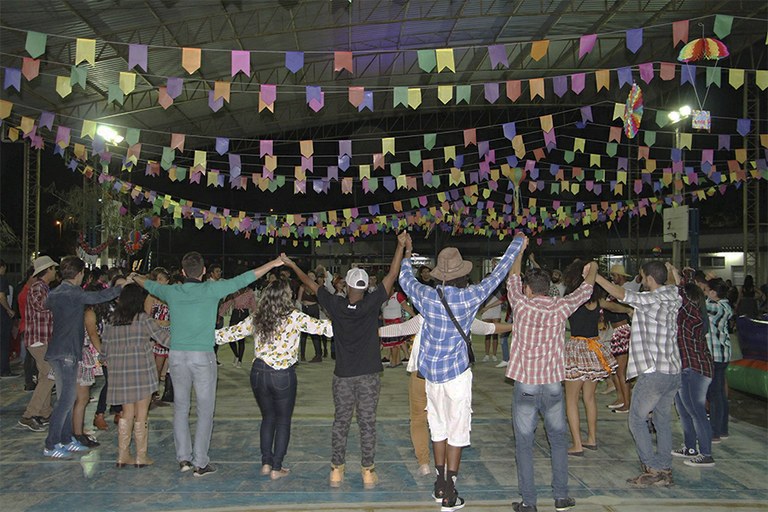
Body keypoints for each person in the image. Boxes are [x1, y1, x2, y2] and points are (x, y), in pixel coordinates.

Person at [399, 232, 525, 512]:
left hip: (431, 376)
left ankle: (439, 481)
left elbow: (404, 279)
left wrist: (407, 251)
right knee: (457, 430)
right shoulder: (471, 296)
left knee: (438, 428)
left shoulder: (425, 296)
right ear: (461, 274)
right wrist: (517, 243)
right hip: (457, 375)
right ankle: (450, 490)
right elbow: (499, 273)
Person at [132, 252, 284, 476]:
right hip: (202, 356)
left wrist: (134, 276)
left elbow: (149, 285)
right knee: (205, 410)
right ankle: (200, 462)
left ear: (183, 273)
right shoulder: (212, 289)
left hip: (177, 355)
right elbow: (245, 278)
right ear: (203, 272)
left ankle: (183, 458)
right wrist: (274, 262)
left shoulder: (172, 291)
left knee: (181, 408)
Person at [282, 236, 406, 490]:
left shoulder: (336, 305)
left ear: (347, 286)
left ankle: (336, 471)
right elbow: (393, 275)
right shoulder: (371, 304)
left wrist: (292, 265)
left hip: (343, 376)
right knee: (367, 423)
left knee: (341, 422)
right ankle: (367, 472)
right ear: (364, 288)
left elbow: (309, 283)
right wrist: (400, 246)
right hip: (369, 375)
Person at [505, 245, 596, 512]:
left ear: (528, 290)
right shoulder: (560, 307)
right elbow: (586, 290)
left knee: (524, 444)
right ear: (548, 289)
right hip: (554, 385)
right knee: (557, 440)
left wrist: (519, 252)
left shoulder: (520, 304)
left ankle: (528, 502)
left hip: (526, 386)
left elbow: (512, 277)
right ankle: (560, 497)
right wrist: (591, 271)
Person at [214, 279, 332, 480]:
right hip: (282, 375)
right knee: (283, 421)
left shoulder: (257, 317)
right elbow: (326, 329)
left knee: (268, 418)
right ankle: (277, 467)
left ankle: (266, 463)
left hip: (258, 372)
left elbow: (228, 334)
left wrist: (197, 333)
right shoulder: (294, 317)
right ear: (287, 296)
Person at [379, 313, 513, 478]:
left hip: (422, 372)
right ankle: (449, 464)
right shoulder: (464, 314)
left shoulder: (425, 314)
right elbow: (488, 328)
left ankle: (424, 463)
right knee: (450, 419)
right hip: (452, 374)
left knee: (419, 418)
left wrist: (368, 330)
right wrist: (514, 326)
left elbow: (400, 329)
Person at [595, 261, 682, 488]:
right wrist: (672, 271)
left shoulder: (649, 300)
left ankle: (652, 468)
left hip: (653, 372)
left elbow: (621, 294)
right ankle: (664, 468)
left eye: (643, 278)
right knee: (662, 420)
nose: (641, 282)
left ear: (650, 279)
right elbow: (675, 282)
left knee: (636, 419)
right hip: (673, 370)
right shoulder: (674, 295)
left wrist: (596, 276)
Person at [43, 256, 123, 460]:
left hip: (58, 351)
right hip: (67, 352)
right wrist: (120, 288)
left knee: (67, 399)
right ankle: (51, 444)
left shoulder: (55, 292)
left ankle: (66, 439)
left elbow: (48, 305)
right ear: (79, 274)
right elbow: (98, 298)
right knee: (66, 400)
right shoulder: (73, 292)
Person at [101, 283, 171, 467]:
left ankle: (122, 456)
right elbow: (165, 340)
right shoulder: (143, 319)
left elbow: (104, 350)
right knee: (141, 414)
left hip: (119, 374)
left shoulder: (111, 320)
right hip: (142, 372)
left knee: (127, 412)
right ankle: (141, 456)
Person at [562, 260, 616, 457]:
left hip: (577, 349)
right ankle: (592, 438)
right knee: (589, 398)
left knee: (571, 400)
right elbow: (615, 307)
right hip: (594, 349)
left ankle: (577, 444)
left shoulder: (571, 299)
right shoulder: (597, 302)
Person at [667, 265, 715, 467]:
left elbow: (683, 295)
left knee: (696, 410)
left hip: (695, 368)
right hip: (685, 366)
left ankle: (706, 454)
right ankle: (690, 447)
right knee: (683, 409)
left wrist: (678, 275)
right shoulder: (686, 316)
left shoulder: (693, 316)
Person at [71, 284, 113, 448]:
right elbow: (93, 334)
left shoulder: (80, 311)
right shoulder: (88, 313)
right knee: (81, 399)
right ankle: (77, 434)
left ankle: (78, 430)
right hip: (80, 356)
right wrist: (104, 354)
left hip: (77, 354)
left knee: (79, 399)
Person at [603, 264, 636, 414]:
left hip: (622, 331)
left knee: (621, 371)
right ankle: (622, 398)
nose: (613, 278)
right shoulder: (616, 291)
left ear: (621, 276)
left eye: (615, 275)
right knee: (616, 370)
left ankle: (627, 402)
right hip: (616, 331)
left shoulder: (623, 292)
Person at [705, 278, 733, 444]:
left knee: (714, 394)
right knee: (720, 394)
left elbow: (699, 304)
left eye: (707, 290)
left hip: (716, 356)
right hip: (722, 355)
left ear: (714, 293)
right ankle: (722, 429)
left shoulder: (717, 307)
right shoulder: (724, 305)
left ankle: (715, 432)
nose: (705, 293)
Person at [143, 268, 172, 401]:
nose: (159, 282)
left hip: (167, 336)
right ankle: (150, 392)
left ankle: (156, 391)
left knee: (163, 367)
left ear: (167, 281)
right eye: (157, 279)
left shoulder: (170, 296)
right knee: (153, 366)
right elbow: (146, 317)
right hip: (153, 335)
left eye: (162, 279)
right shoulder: (151, 296)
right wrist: (160, 322)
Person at [218, 286, 257, 367]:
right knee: (231, 338)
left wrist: (257, 316)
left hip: (244, 315)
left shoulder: (250, 292)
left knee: (241, 339)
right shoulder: (235, 291)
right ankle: (236, 355)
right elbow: (227, 304)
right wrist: (220, 315)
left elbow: (253, 305)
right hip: (235, 314)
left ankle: (240, 360)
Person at [0, 259, 17, 377]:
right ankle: (4, 370)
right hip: (1, 317)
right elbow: (1, 296)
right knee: (4, 343)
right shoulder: (2, 279)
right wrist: (9, 310)